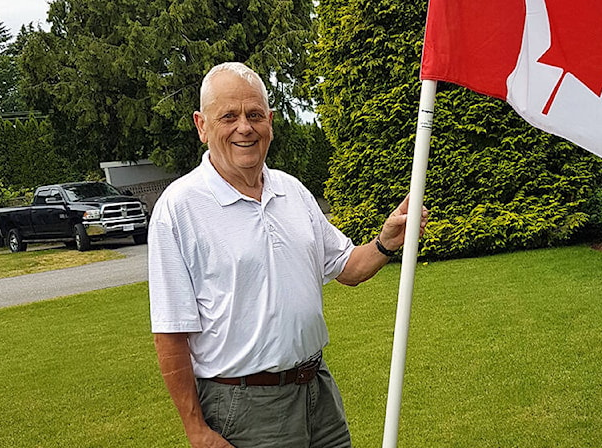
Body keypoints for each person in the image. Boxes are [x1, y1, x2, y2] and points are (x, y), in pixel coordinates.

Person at [148, 62, 426, 448]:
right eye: (228, 116)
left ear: (270, 122)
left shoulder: (291, 191)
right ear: (201, 125)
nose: (244, 127)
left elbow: (347, 267)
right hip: (244, 407)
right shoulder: (179, 209)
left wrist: (386, 241)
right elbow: (170, 332)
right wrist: (197, 430)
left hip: (318, 390)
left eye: (255, 115)